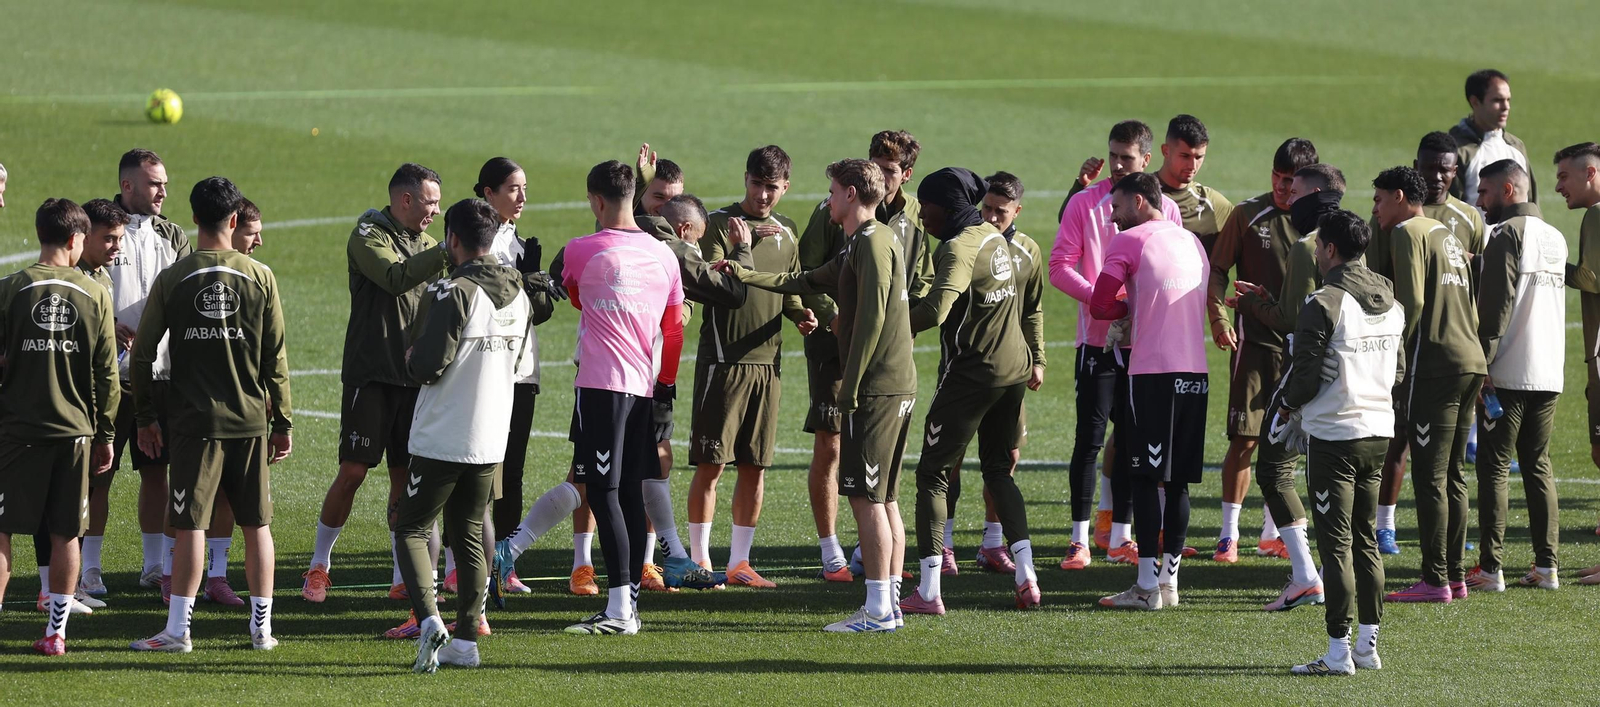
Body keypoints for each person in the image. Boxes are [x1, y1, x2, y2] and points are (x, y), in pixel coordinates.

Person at [719, 158, 917, 632]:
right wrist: (745, 274)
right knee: (884, 497)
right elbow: (804, 281)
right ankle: (888, 606)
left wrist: (851, 385)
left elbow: (870, 319)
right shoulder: (869, 239)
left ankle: (877, 611)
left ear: (850, 194)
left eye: (831, 192)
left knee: (867, 499)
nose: (827, 200)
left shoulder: (870, 244)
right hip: (892, 384)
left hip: (877, 388)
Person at [130, 177, 292, 652]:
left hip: (194, 425)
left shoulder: (174, 277)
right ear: (235, 219)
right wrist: (282, 422)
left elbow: (142, 355)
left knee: (190, 525)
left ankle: (178, 631)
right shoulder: (261, 276)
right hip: (250, 421)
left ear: (194, 218)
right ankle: (262, 631)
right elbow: (276, 359)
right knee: (257, 525)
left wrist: (144, 416)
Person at [393, 198, 535, 672]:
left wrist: (412, 357)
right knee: (470, 533)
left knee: (412, 528)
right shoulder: (520, 293)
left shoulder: (453, 291)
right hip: (491, 436)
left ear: (452, 239)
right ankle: (466, 642)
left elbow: (426, 366)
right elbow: (520, 366)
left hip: (442, 433)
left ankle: (430, 621)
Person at [892, 167, 1041, 614]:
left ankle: (929, 591)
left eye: (926, 205)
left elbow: (936, 311)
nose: (921, 215)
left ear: (947, 206)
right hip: (1013, 372)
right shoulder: (995, 237)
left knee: (932, 474)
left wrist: (880, 323)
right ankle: (1027, 575)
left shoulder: (959, 247)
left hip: (972, 375)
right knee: (998, 471)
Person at [304, 164, 447, 603]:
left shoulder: (428, 246)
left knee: (405, 476)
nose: (435, 211)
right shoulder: (368, 235)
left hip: (413, 380)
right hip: (370, 375)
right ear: (405, 199)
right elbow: (394, 278)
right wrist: (448, 250)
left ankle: (402, 577)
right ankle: (319, 567)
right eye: (430, 202)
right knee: (353, 471)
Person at [796, 130, 930, 580]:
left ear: (906, 174)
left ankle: (878, 573)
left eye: (890, 169)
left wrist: (901, 328)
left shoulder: (910, 219)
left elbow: (921, 282)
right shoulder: (835, 212)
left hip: (882, 362)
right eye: (875, 164)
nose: (881, 174)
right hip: (835, 346)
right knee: (833, 446)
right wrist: (831, 316)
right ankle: (832, 549)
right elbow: (808, 272)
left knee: (877, 474)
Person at [560, 160, 685, 635]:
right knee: (630, 491)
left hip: (601, 387)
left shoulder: (580, 250)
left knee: (603, 492)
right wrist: (665, 383)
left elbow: (575, 297)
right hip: (645, 388)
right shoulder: (665, 255)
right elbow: (673, 330)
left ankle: (617, 612)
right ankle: (628, 604)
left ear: (595, 201)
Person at [1276, 210, 1403, 676]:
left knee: (1336, 545)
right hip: (1378, 433)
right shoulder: (1391, 300)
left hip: (1334, 436)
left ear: (1329, 249)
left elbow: (1306, 376)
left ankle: (1337, 653)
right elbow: (1399, 371)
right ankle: (1367, 647)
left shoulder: (1323, 302)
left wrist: (1289, 406)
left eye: (1317, 244)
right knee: (1366, 539)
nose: (1314, 251)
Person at [1049, 120, 1181, 564]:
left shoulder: (1167, 210)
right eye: (1113, 156)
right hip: (1097, 343)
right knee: (1089, 439)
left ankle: (1121, 537)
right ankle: (1079, 539)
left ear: (1147, 159)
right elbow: (1059, 266)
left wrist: (1137, 309)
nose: (1118, 165)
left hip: (1144, 346)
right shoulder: (1085, 203)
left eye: (1127, 157)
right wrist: (1103, 301)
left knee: (1131, 439)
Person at [686, 146, 814, 588]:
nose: (762, 195)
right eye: (757, 184)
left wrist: (800, 314)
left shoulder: (788, 230)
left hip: (768, 364)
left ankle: (739, 563)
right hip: (724, 363)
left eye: (771, 187)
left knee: (755, 466)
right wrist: (745, 246)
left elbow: (789, 286)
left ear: (785, 187)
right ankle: (700, 562)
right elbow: (715, 281)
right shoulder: (719, 224)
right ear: (745, 179)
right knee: (711, 465)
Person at [0, 198, 118, 656]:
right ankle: (55, 634)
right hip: (75, 434)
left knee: (3, 529)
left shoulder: (10, 288)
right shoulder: (95, 294)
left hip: (16, 432)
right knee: (66, 532)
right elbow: (107, 375)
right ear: (75, 239)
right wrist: (106, 434)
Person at [1231, 164, 1346, 611]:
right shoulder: (1357, 239)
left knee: (1274, 469)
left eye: (1295, 192)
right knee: (1341, 474)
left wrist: (1251, 303)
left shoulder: (1305, 246)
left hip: (1309, 371)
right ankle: (1340, 572)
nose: (1287, 198)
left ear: (1314, 195)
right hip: (1356, 375)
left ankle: (1306, 575)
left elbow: (1292, 320)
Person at [1092, 173, 1209, 611]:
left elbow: (1100, 304)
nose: (1113, 216)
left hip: (1151, 374)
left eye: (1117, 206)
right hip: (1195, 373)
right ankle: (1169, 584)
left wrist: (1128, 309)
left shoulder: (1129, 241)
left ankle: (1145, 588)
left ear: (1139, 202)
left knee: (1143, 477)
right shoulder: (1193, 242)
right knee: (1177, 483)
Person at [1371, 167, 1484, 604]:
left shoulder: (1407, 232)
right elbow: (1471, 303)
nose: (1376, 209)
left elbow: (1413, 299)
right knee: (1454, 474)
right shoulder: (1446, 234)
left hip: (1434, 365)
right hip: (1470, 360)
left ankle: (1434, 580)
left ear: (1399, 197)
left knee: (1430, 477)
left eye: (1379, 199)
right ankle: (1454, 576)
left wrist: (1394, 350)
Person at [1206, 137, 1319, 563]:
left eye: (1291, 181)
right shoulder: (1248, 215)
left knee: (1290, 440)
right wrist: (1219, 318)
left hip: (1302, 349)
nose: (1283, 187)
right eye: (1277, 176)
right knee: (1245, 438)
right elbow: (1218, 269)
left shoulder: (1321, 225)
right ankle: (1229, 534)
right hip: (1254, 344)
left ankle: (1273, 534)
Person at [1466, 159, 1565, 592]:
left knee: (1493, 468)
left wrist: (1482, 365)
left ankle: (1491, 569)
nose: (1479, 201)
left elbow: (1497, 308)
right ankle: (1547, 568)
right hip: (1549, 371)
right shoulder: (1555, 236)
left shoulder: (1506, 234)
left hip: (1507, 372)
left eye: (1484, 191)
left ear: (1508, 191)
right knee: (1538, 465)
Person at [106, 149, 191, 592]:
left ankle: (154, 566)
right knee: (98, 474)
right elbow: (80, 283)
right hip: (109, 377)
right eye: (155, 183)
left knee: (157, 472)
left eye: (165, 184)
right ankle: (89, 570)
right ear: (127, 186)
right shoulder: (100, 227)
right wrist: (106, 324)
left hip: (162, 375)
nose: (163, 192)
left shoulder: (173, 235)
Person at [973, 172, 1048, 573]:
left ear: (1016, 211)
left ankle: (991, 542)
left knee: (1008, 455)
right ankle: (944, 543)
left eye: (1000, 211)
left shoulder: (1028, 251)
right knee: (950, 457)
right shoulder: (968, 242)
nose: (990, 216)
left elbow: (1033, 309)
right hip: (966, 368)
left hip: (1011, 371)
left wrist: (1038, 358)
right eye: (985, 208)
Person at [1556, 142, 1600, 571]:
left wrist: (1546, 261)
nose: (1558, 187)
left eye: (1564, 177)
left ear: (1590, 173)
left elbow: (1590, 278)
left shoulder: (1597, 214)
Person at [1449, 69, 1536, 206]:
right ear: (1475, 102)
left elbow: (1531, 204)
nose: (1506, 107)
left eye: (1508, 100)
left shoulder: (1517, 146)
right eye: (1497, 100)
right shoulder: (1456, 150)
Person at [1156, 114, 1233, 254]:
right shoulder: (1138, 194)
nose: (1192, 166)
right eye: (1185, 156)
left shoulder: (1213, 205)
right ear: (1166, 151)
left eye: (1199, 157)